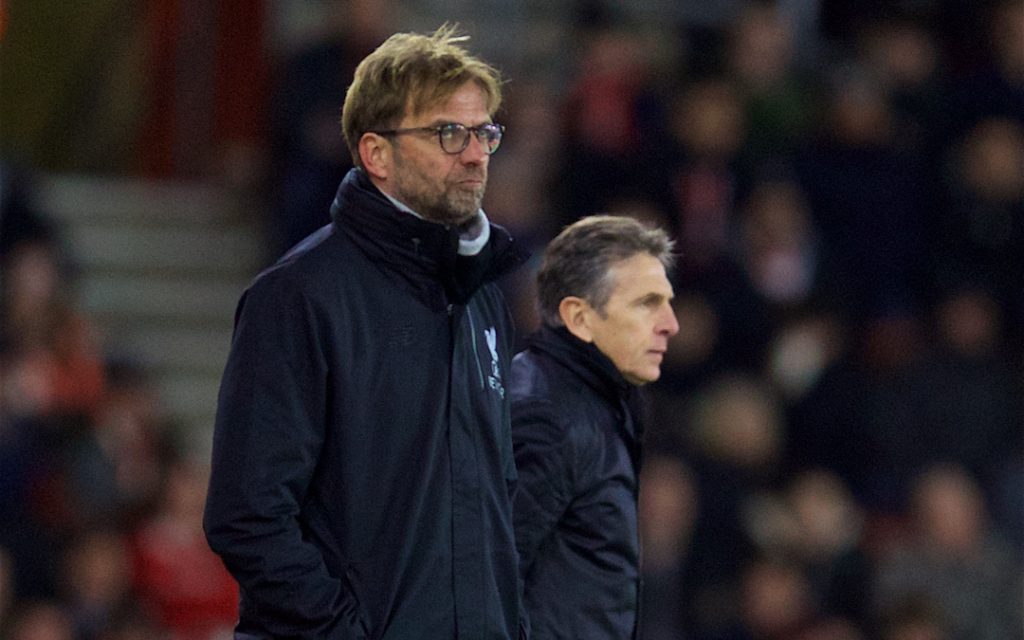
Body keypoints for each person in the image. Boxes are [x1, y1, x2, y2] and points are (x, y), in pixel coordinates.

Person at [203, 25, 528, 639]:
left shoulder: (484, 294)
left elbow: (493, 505)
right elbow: (247, 516)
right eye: (448, 132)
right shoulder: (298, 297)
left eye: (485, 132)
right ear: (377, 154)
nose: (476, 153)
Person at [510, 215, 680, 638]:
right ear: (580, 318)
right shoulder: (548, 415)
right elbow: (482, 577)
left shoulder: (593, 401)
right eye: (647, 303)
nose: (670, 324)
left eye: (668, 301)